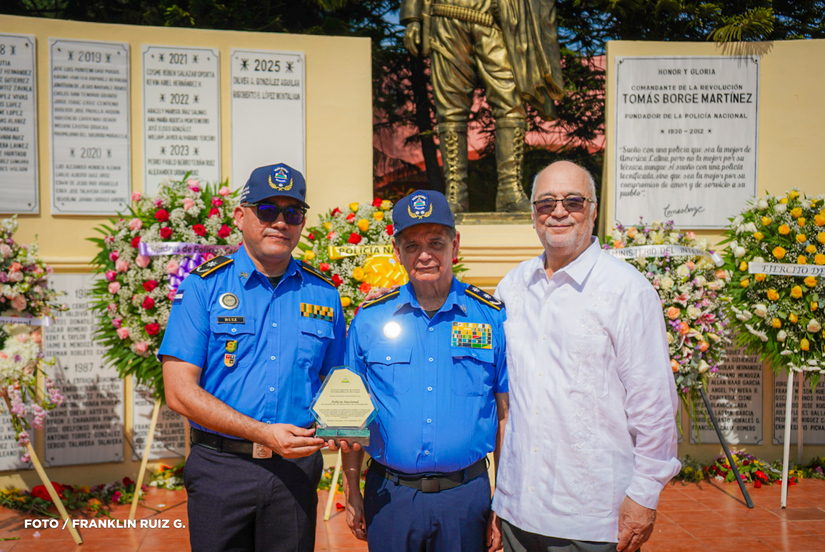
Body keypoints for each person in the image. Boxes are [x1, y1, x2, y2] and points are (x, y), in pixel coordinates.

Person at [491, 161, 681, 552]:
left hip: (593, 517)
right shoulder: (512, 287)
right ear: (533, 216)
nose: (559, 211)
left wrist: (644, 495)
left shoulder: (627, 290)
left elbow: (655, 405)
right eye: (546, 203)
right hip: (518, 510)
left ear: (593, 210)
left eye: (573, 201)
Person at [160, 163, 346, 552]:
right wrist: (262, 433)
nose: (280, 222)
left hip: (294, 472)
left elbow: (337, 383)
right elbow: (178, 392)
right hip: (221, 470)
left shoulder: (324, 294)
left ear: (301, 223)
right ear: (241, 216)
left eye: (292, 213)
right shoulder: (203, 287)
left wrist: (344, 426)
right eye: (267, 210)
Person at [339, 189, 509, 551]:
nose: (425, 254)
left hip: (465, 500)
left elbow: (507, 416)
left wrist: (504, 499)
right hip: (391, 498)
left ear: (455, 245)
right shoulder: (370, 319)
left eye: (436, 242)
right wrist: (351, 488)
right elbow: (350, 413)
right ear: (398, 252)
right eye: (412, 245)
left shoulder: (492, 317)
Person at [401, 0, 564, 213]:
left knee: (511, 103)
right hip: (446, 14)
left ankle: (510, 191)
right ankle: (455, 194)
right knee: (450, 109)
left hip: (495, 16)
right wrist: (412, 17)